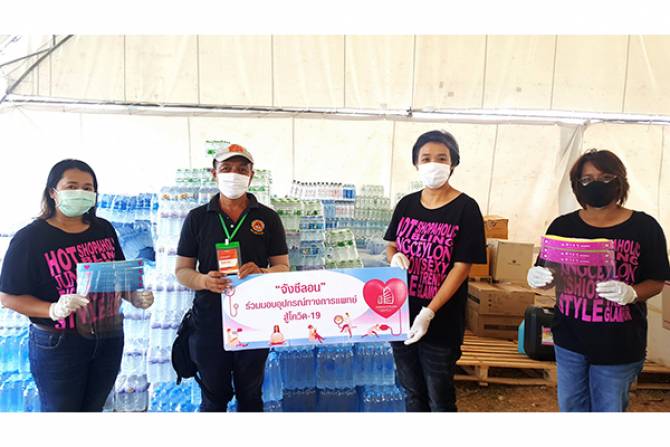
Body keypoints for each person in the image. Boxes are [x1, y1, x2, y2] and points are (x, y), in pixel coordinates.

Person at [0, 159, 154, 412]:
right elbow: (8, 297)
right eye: (71, 186)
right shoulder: (30, 238)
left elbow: (117, 277)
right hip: (59, 342)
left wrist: (134, 296)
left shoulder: (103, 229)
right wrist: (52, 309)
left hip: (107, 336)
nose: (80, 193)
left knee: (94, 409)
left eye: (87, 188)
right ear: (53, 192)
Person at [527, 149, 670, 412]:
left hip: (619, 344)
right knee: (571, 407)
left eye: (605, 177)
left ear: (620, 181)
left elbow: (657, 280)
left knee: (608, 410)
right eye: (587, 179)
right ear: (577, 185)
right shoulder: (562, 226)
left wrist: (632, 293)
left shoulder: (645, 227)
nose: (596, 184)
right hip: (570, 338)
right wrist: (537, 277)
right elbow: (547, 277)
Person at [175, 143, 289, 412]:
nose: (234, 175)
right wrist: (204, 281)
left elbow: (283, 267)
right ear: (214, 173)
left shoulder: (268, 218)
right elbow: (182, 271)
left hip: (254, 319)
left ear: (252, 175)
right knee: (213, 399)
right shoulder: (197, 218)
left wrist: (262, 272)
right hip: (209, 321)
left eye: (242, 169)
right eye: (226, 168)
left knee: (250, 397)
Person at [384, 130, 487, 412]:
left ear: (453, 163)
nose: (433, 164)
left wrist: (429, 312)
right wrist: (394, 257)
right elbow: (391, 245)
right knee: (411, 393)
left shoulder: (466, 208)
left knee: (440, 398)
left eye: (442, 158)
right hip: (402, 313)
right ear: (416, 163)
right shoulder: (406, 204)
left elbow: (461, 267)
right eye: (426, 158)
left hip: (442, 320)